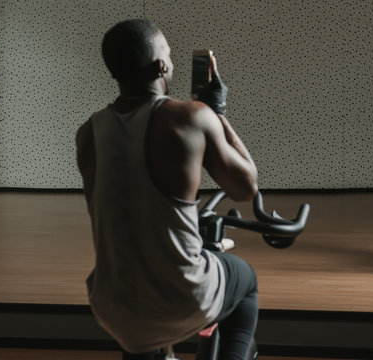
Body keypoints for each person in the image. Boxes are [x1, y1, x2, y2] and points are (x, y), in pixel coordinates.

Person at [75, 19, 259, 360]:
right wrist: (216, 112)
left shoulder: (88, 134)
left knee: (141, 327)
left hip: (112, 306)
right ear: (162, 66)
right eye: (169, 55)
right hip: (184, 298)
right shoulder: (190, 117)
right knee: (245, 282)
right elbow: (246, 186)